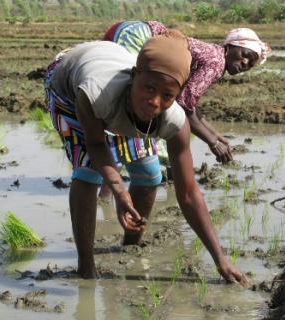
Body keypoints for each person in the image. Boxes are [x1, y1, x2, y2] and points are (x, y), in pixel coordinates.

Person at [44, 33, 246, 284]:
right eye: (149, 88)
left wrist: (220, 259)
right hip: (69, 85)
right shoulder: (95, 93)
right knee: (88, 172)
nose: (153, 102)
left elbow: (189, 193)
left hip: (115, 79)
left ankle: (130, 245)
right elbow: (96, 144)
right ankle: (86, 267)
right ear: (133, 76)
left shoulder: (173, 119)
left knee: (150, 174)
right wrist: (118, 189)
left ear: (177, 95)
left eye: (167, 95)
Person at [103, 21, 270, 164]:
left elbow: (190, 104)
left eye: (251, 63)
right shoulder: (216, 63)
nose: (245, 62)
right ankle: (108, 170)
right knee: (132, 105)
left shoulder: (215, 57)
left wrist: (214, 134)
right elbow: (184, 106)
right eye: (245, 54)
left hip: (131, 29)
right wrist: (212, 142)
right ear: (231, 46)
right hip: (137, 36)